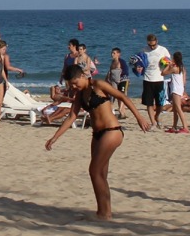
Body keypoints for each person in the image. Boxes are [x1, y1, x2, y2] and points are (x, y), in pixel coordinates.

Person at [45, 64, 150, 220]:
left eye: (75, 83)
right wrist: (55, 137)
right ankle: (104, 211)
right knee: (101, 174)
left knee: (94, 171)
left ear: (82, 76)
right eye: (71, 85)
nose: (73, 87)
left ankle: (104, 213)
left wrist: (139, 118)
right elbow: (72, 116)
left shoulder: (98, 85)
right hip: (97, 135)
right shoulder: (80, 94)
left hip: (112, 131)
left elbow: (122, 97)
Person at [140, 33, 171, 130]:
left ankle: (156, 116)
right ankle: (153, 123)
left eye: (154, 45)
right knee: (149, 103)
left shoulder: (163, 50)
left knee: (160, 104)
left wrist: (165, 70)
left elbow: (169, 63)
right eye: (150, 45)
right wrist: (138, 68)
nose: (152, 47)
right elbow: (140, 63)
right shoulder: (144, 50)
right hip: (147, 79)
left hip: (159, 79)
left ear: (156, 41)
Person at [165, 51, 190, 133]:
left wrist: (168, 65)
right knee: (175, 109)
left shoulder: (174, 68)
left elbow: (163, 73)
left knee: (178, 109)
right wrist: (183, 89)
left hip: (176, 89)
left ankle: (185, 127)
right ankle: (174, 127)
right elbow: (184, 80)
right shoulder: (182, 68)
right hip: (180, 88)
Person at [106, 48, 128, 118]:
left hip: (123, 80)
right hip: (114, 81)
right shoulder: (112, 62)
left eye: (114, 53)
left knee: (122, 95)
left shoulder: (122, 61)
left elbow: (126, 71)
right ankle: (121, 113)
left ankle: (121, 111)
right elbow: (110, 71)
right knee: (114, 95)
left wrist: (120, 77)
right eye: (112, 53)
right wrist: (107, 79)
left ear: (118, 54)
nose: (112, 54)